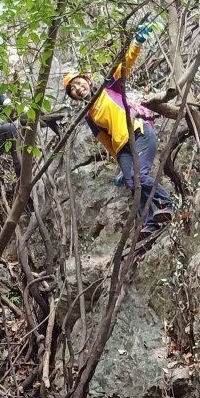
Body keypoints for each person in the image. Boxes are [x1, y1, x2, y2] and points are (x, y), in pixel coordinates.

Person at [63, 21, 173, 238]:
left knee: (139, 176)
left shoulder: (107, 87)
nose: (78, 89)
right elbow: (105, 140)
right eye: (73, 90)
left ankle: (167, 203)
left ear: (87, 80)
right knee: (133, 181)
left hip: (139, 132)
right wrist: (120, 165)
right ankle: (151, 222)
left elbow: (125, 66)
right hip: (122, 148)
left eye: (78, 83)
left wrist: (137, 42)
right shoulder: (89, 115)